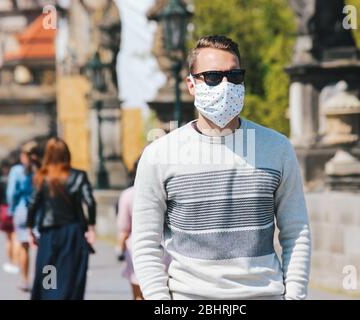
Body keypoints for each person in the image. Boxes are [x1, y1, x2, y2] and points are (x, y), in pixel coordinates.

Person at [132, 35, 311, 300]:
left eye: (235, 76)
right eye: (213, 77)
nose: (226, 85)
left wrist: (295, 297)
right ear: (192, 85)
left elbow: (296, 231)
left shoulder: (277, 148)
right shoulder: (159, 155)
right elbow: (145, 243)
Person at [27, 137, 97, 300]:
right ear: (67, 154)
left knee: (48, 271)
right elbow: (90, 201)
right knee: (70, 273)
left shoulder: (41, 177)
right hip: (73, 233)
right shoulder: (79, 176)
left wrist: (30, 229)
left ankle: (48, 296)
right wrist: (91, 228)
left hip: (49, 234)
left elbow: (32, 204)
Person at [116, 158, 171, 300]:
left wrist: (120, 249)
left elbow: (124, 229)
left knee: (139, 294)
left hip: (137, 249)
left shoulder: (127, 195)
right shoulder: (165, 190)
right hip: (166, 249)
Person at [6, 141, 37, 291]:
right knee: (46, 249)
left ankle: (25, 281)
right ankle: (49, 283)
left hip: (22, 210)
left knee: (24, 247)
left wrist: (11, 209)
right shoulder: (41, 170)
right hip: (41, 211)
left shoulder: (16, 171)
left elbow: (11, 193)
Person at [0, 162, 19, 274]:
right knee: (15, 237)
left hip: (4, 210)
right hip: (15, 209)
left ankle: (10, 262)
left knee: (8, 238)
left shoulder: (1, 181)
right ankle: (16, 262)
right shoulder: (17, 178)